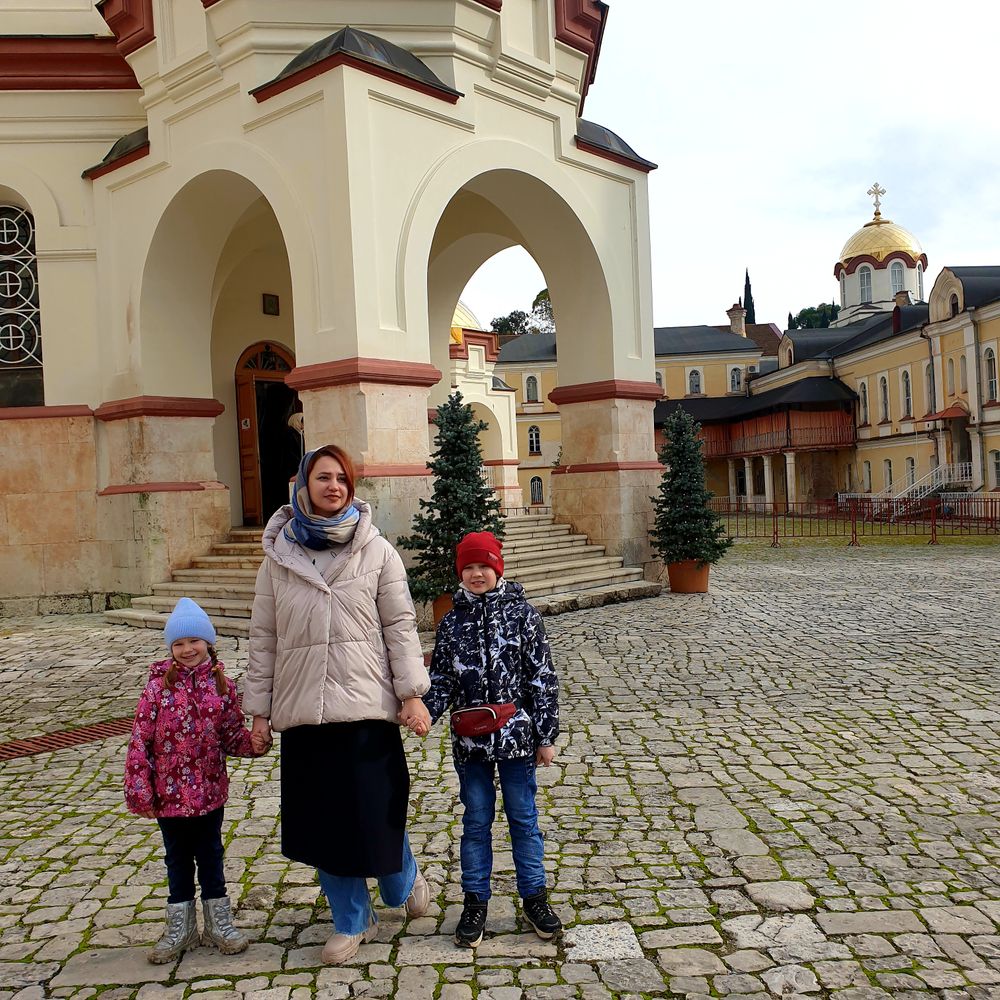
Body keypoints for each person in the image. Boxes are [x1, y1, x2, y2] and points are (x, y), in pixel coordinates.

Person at [244, 444, 433, 965]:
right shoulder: (278, 559)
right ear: (302, 484)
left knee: (377, 815)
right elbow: (264, 640)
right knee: (326, 826)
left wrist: (411, 693)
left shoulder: (377, 551)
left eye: (342, 480)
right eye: (323, 477)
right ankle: (353, 920)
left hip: (366, 709)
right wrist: (258, 712)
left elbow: (401, 628)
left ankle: (403, 880)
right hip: (305, 712)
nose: (333, 487)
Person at [401, 531, 561, 948]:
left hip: (516, 740)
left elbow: (542, 678)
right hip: (471, 744)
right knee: (475, 822)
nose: (476, 574)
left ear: (497, 569)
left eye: (483, 566)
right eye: (468, 567)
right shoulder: (452, 622)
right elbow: (444, 680)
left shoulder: (524, 616)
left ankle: (534, 898)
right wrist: (425, 712)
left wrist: (545, 734)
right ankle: (475, 902)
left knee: (524, 820)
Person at [124, 598, 268, 964]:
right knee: (177, 859)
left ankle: (219, 922)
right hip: (168, 795)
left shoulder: (222, 688)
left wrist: (253, 744)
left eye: (194, 641)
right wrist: (140, 787)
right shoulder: (157, 688)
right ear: (170, 648)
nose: (187, 650)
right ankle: (180, 925)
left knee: (211, 855)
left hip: (208, 792)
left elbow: (231, 735)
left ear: (208, 642)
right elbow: (140, 740)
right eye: (179, 644)